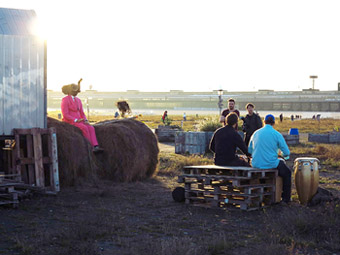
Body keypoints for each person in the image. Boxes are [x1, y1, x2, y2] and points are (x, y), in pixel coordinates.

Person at [248, 114, 291, 204]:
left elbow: (249, 150)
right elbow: (286, 152)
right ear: (274, 123)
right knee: (287, 173)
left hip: (256, 163)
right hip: (270, 163)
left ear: (264, 122)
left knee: (265, 171)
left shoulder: (256, 133)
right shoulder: (276, 134)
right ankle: (285, 198)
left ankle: (265, 193)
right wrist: (282, 154)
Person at [61, 79, 103, 152]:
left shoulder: (78, 100)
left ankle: (95, 145)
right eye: (75, 91)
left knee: (91, 128)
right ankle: (89, 146)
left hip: (80, 120)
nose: (76, 93)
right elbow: (65, 114)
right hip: (70, 121)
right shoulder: (65, 100)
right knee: (84, 128)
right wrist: (76, 120)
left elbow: (82, 113)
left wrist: (85, 119)